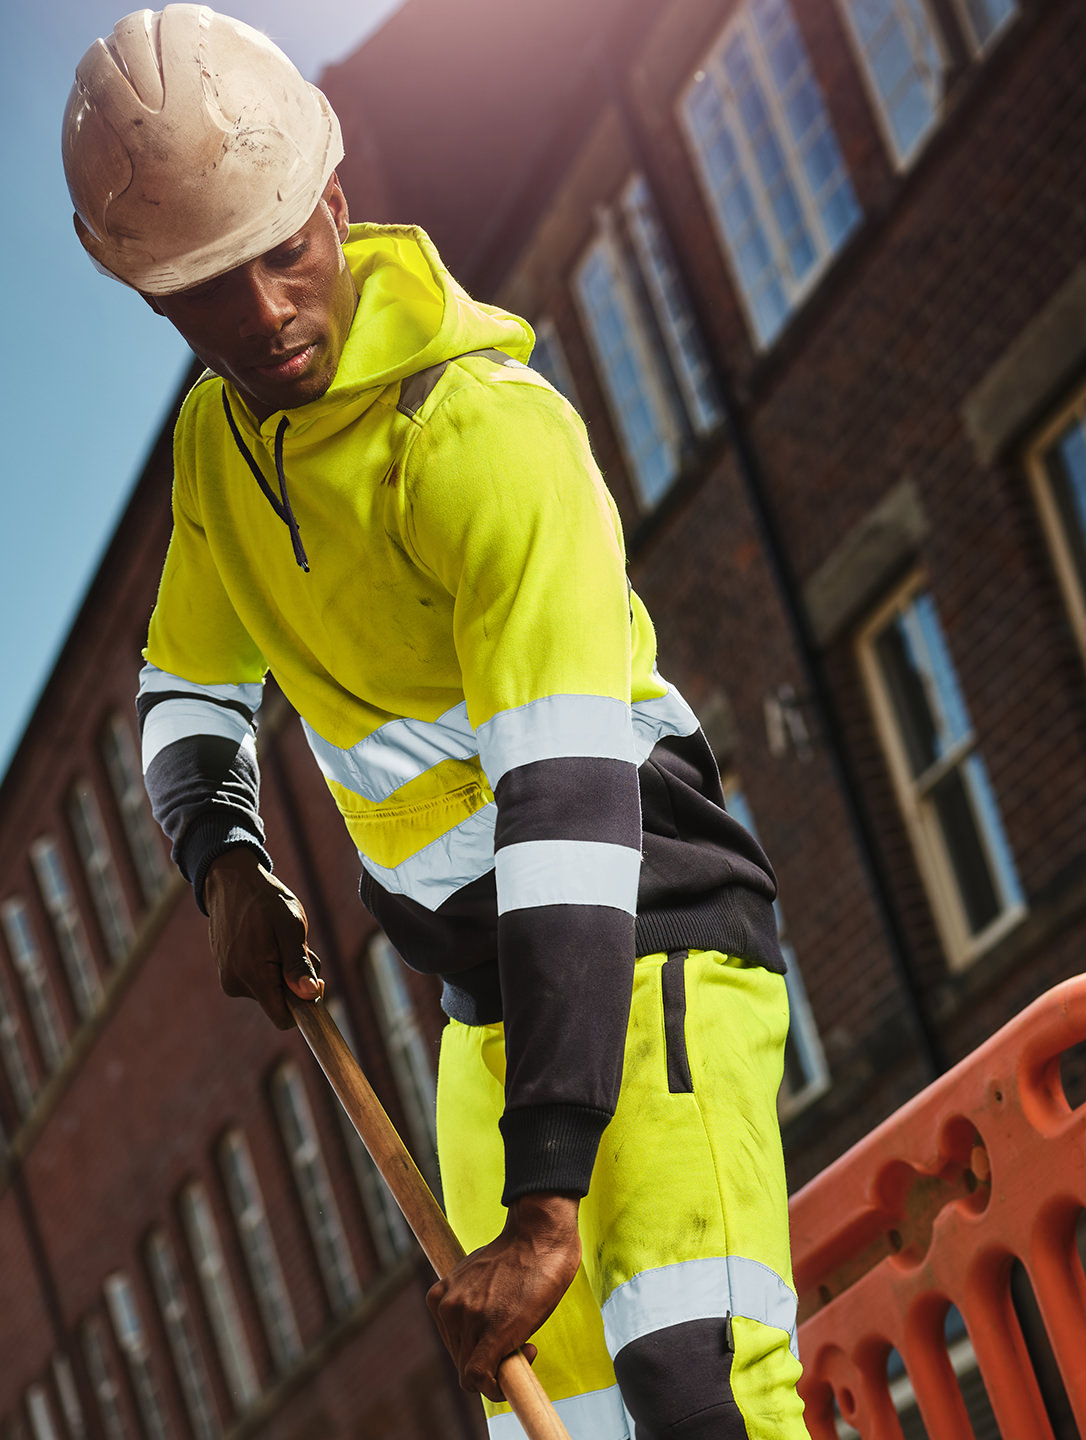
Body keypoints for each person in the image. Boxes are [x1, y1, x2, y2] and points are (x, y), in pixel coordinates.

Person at [64, 7, 810, 1436]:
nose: (271, 312)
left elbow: (569, 818)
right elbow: (185, 695)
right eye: (216, 287)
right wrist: (222, 860)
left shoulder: (482, 436)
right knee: (565, 1423)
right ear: (158, 301)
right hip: (487, 1010)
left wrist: (546, 1205)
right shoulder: (220, 461)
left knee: (696, 1383)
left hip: (646, 946)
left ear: (335, 204)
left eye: (287, 251)